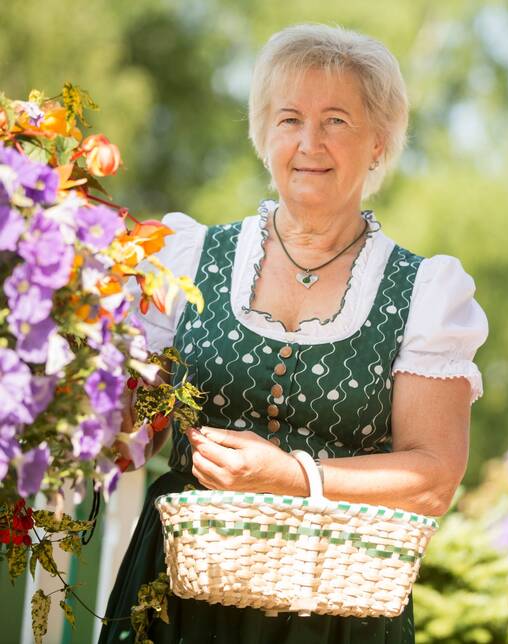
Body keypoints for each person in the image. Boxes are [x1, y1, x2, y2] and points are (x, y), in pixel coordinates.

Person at [99, 23, 488, 644]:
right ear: (264, 134)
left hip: (338, 617)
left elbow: (434, 476)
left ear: (380, 143)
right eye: (289, 119)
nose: (310, 142)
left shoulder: (424, 293)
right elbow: (137, 428)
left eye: (337, 120)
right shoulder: (186, 256)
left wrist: (292, 477)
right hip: (176, 596)